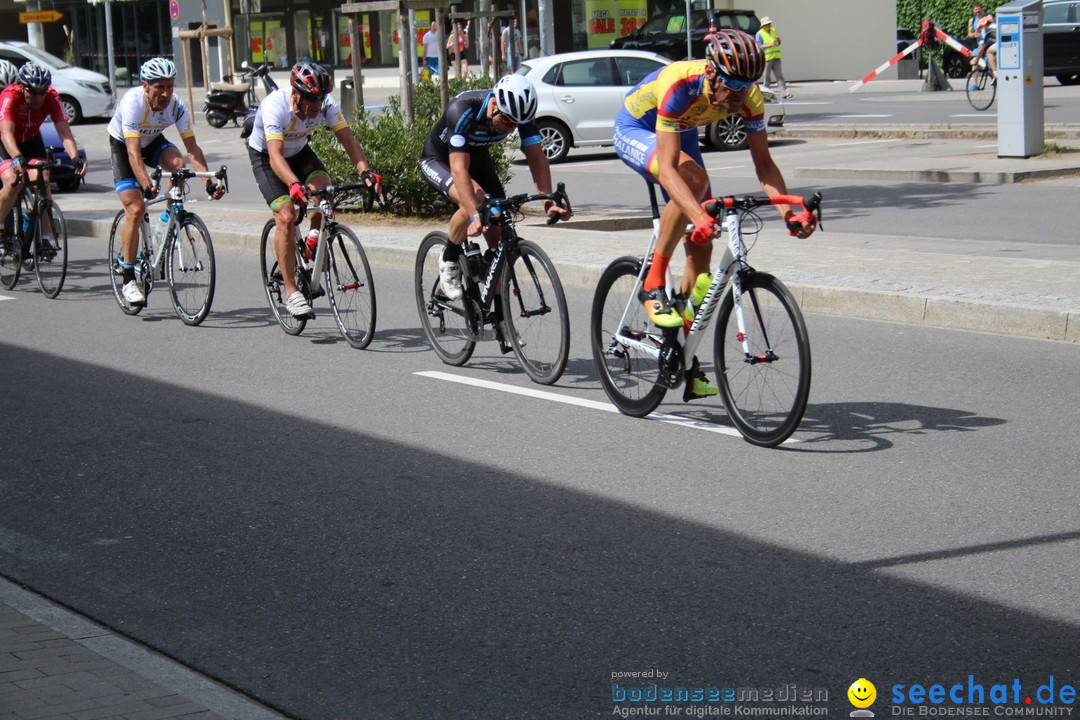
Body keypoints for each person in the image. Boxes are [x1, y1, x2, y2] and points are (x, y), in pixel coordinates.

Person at [612, 29, 816, 398]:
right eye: (733, 84)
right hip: (639, 126)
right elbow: (671, 170)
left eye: (747, 85)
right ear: (711, 73)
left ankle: (682, 358)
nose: (739, 95)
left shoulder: (749, 97)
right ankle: (652, 282)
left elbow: (764, 164)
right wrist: (700, 213)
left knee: (700, 250)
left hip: (684, 129)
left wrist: (789, 211)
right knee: (692, 181)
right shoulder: (680, 83)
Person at [418, 74, 570, 349]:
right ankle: (449, 259)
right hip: (440, 160)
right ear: (494, 106)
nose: (511, 128)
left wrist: (548, 203)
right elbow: (459, 171)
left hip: (478, 160)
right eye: (508, 121)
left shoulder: (520, 115)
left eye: (517, 124)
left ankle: (501, 322)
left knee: (500, 243)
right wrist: (475, 215)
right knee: (475, 201)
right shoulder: (462, 110)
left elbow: (537, 156)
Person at [247, 61, 381, 319]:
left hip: (298, 152)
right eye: (310, 103)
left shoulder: (327, 105)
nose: (315, 109)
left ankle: (313, 238)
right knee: (286, 217)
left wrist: (365, 171)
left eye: (319, 101)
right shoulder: (275, 106)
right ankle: (291, 292)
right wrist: (294, 184)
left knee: (324, 191)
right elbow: (275, 156)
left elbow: (348, 141)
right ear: (296, 94)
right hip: (267, 157)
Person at [107, 57, 224, 307]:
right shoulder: (132, 103)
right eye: (159, 87)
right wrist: (146, 184)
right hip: (125, 146)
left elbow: (193, 149)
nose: (165, 93)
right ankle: (128, 279)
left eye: (170, 86)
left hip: (153, 141)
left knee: (179, 167)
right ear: (145, 85)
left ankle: (165, 222)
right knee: (136, 208)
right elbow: (132, 153)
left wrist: (208, 183)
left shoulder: (177, 106)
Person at [0, 61, 86, 250]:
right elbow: (6, 133)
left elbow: (64, 130)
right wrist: (16, 157)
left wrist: (75, 158)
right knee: (13, 180)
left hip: (32, 140)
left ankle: (44, 238)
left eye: (43, 91)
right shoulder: (10, 96)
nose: (39, 96)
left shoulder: (52, 97)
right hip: (8, 143)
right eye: (33, 91)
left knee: (43, 177)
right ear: (22, 87)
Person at [754, 16, 791, 98]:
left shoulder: (774, 31)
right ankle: (766, 94)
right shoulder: (759, 33)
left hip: (776, 57)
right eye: (767, 24)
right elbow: (758, 46)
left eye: (769, 24)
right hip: (767, 58)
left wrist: (778, 40)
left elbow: (778, 42)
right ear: (763, 26)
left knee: (779, 76)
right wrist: (769, 45)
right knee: (766, 77)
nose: (769, 25)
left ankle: (784, 93)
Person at [971, 14, 998, 81]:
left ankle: (996, 73)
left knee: (989, 52)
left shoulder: (985, 30)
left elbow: (981, 48)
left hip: (1001, 44)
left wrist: (976, 60)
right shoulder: (995, 25)